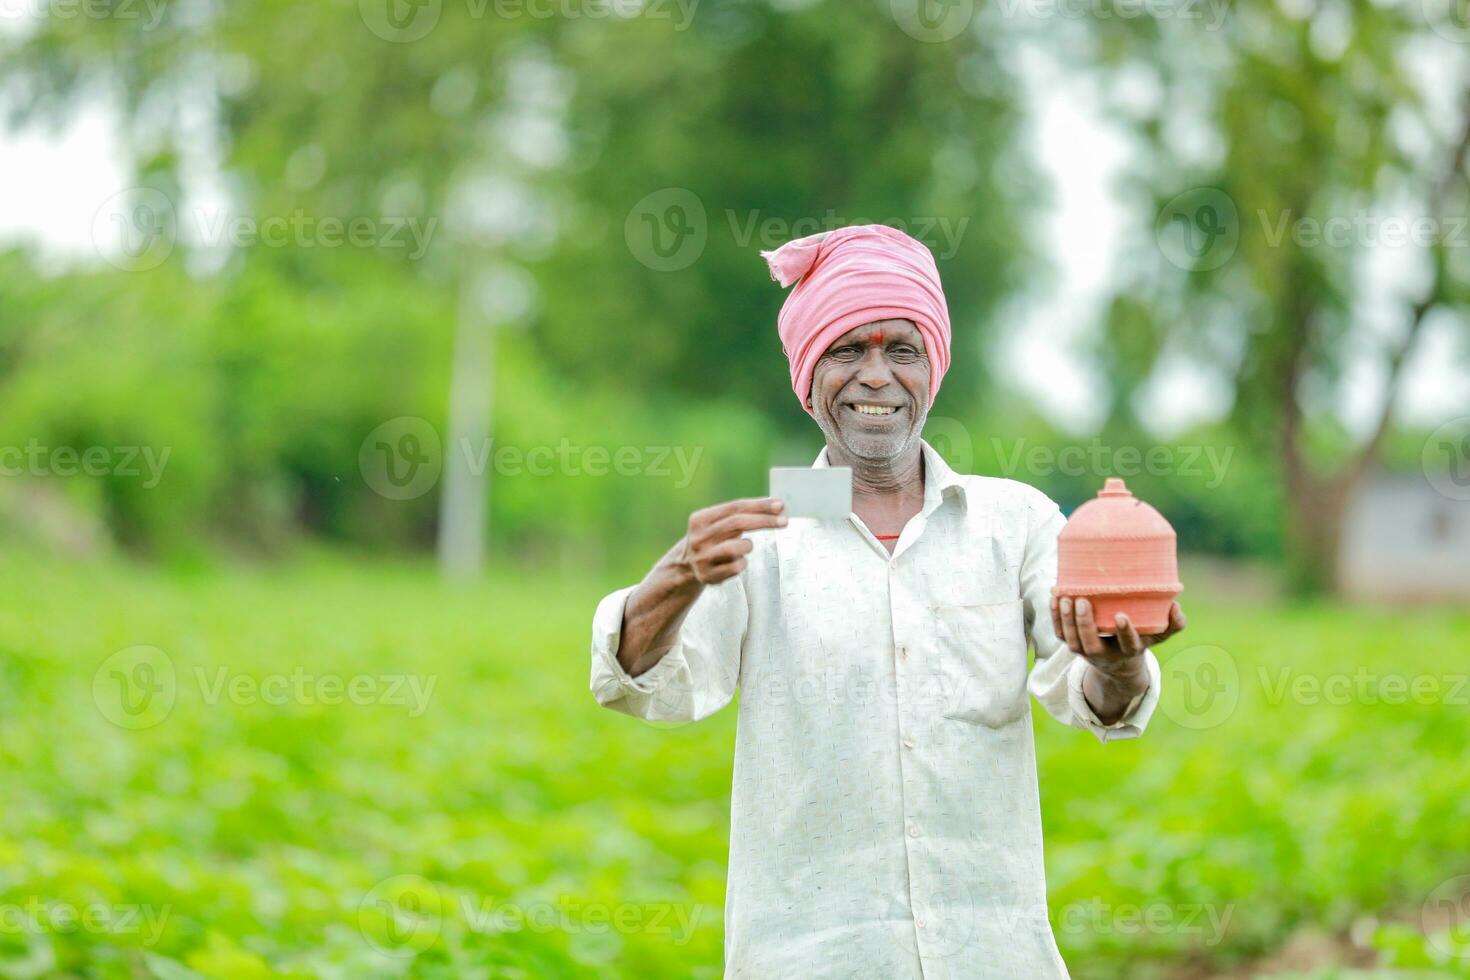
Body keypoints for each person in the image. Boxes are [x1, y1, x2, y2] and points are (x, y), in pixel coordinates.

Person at [588, 224, 1187, 978]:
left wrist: (1122, 667)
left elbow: (1091, 691)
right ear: (807, 380)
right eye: (846, 350)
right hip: (809, 957)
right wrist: (674, 579)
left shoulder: (1015, 521)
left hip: (992, 955)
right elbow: (642, 682)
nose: (876, 376)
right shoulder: (764, 529)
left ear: (932, 371)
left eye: (900, 349)